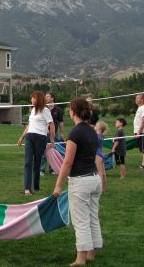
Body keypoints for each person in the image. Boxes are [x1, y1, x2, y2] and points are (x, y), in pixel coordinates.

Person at [53, 98, 103, 266]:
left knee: (80, 221)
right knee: (92, 217)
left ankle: (80, 259)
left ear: (72, 112)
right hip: (95, 179)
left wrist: (58, 184)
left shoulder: (74, 133)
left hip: (81, 181)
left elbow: (68, 162)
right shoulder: (92, 131)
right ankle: (91, 254)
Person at [16, 91, 55, 195]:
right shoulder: (32, 110)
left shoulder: (45, 110)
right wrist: (22, 137)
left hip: (41, 138)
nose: (31, 100)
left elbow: (52, 125)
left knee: (37, 163)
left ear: (38, 99)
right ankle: (27, 188)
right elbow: (29, 125)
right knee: (28, 163)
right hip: (30, 136)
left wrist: (52, 140)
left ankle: (36, 187)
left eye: (33, 98)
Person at [41, 92, 65, 174]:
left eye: (48, 96)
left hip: (54, 134)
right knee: (43, 152)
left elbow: (61, 122)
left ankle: (53, 169)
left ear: (52, 98)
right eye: (45, 96)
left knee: (53, 151)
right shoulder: (43, 109)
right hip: (44, 133)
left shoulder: (58, 110)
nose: (46, 98)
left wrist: (62, 133)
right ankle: (42, 169)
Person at [134, 94, 144, 169]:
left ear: (142, 100)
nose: (136, 99)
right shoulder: (139, 108)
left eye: (138, 98)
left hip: (142, 132)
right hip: (139, 132)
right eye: (136, 98)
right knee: (141, 147)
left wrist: (139, 132)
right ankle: (143, 163)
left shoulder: (143, 108)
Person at [94, 121, 108, 192]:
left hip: (97, 155)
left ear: (99, 128)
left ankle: (101, 189)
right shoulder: (100, 135)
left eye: (96, 125)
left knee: (100, 173)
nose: (94, 126)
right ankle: (103, 188)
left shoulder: (97, 135)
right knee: (102, 173)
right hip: (100, 154)